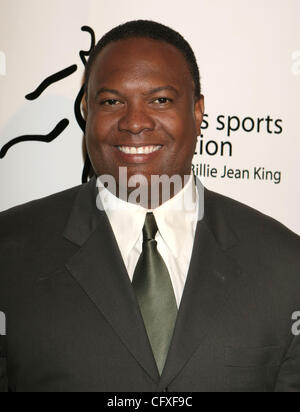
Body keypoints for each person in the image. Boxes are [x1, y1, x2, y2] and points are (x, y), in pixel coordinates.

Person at [0, 20, 299, 393]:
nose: (135, 122)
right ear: (87, 112)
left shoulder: (286, 264)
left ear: (197, 112)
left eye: (160, 100)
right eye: (111, 101)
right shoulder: (9, 252)